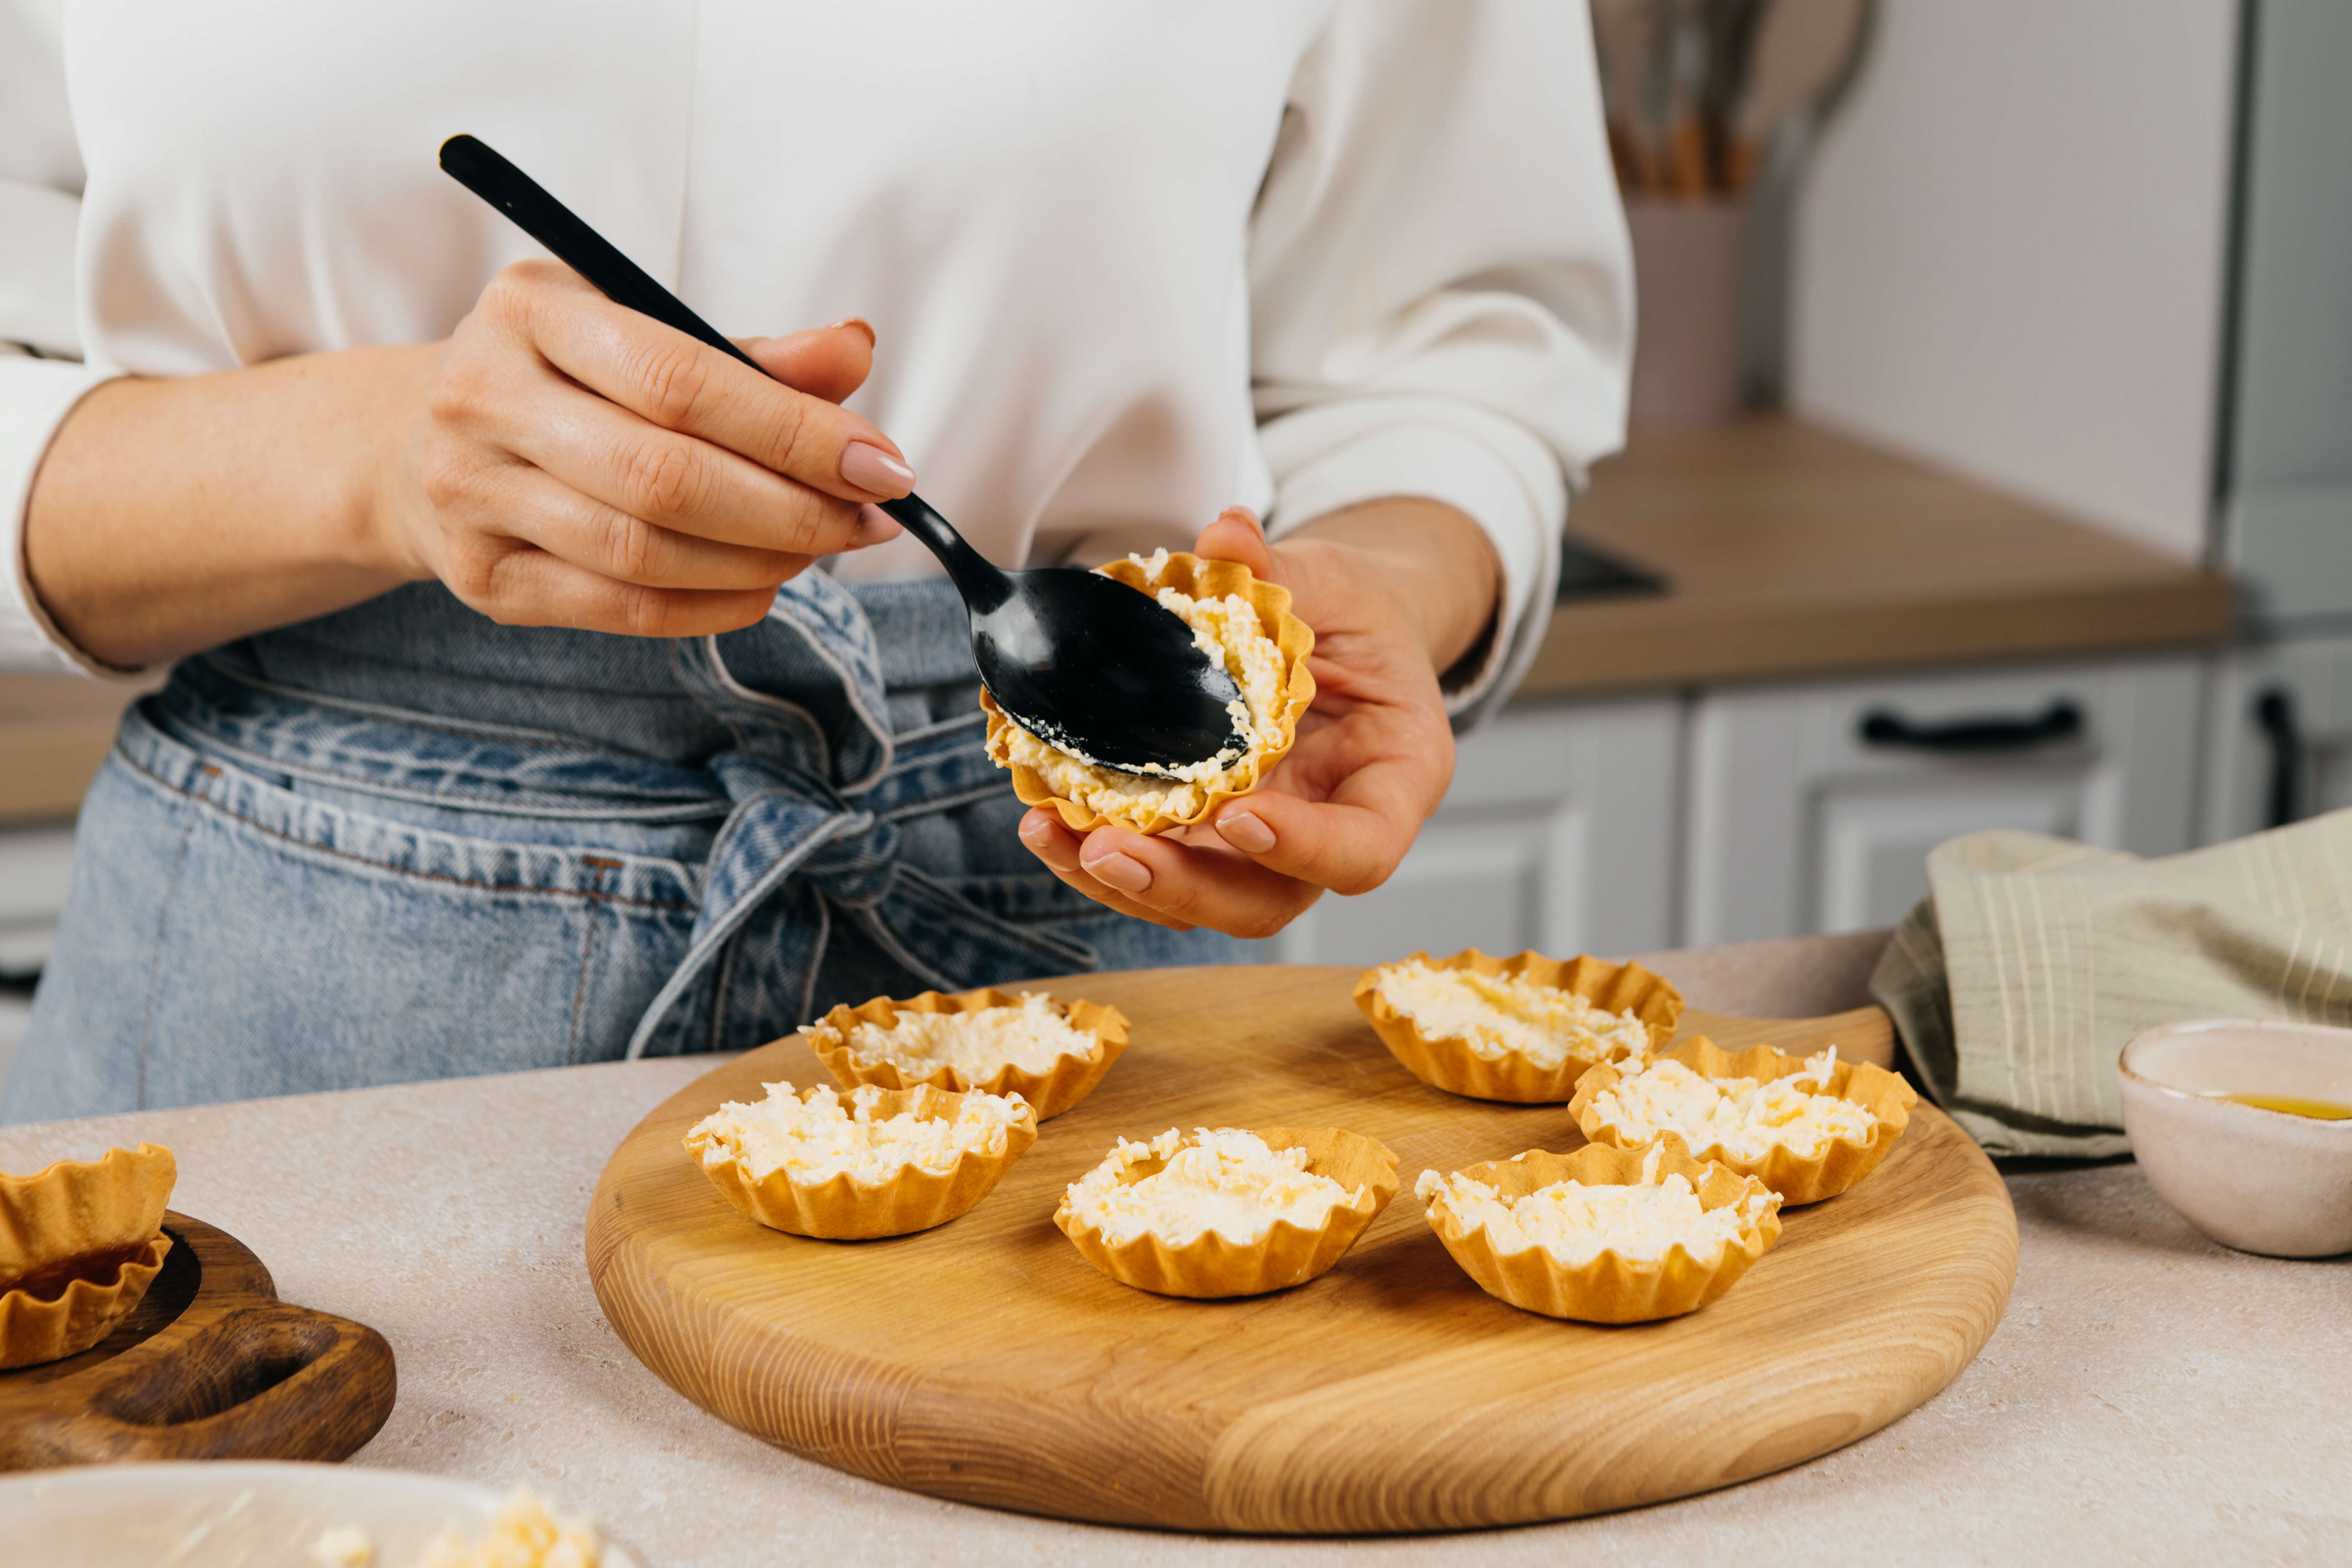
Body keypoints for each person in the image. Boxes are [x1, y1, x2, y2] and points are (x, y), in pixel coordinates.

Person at [0, 1, 1631, 1121]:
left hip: (1091, 947)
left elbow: (1449, 354)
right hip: (300, 1000)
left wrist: (1374, 595)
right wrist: (373, 455)